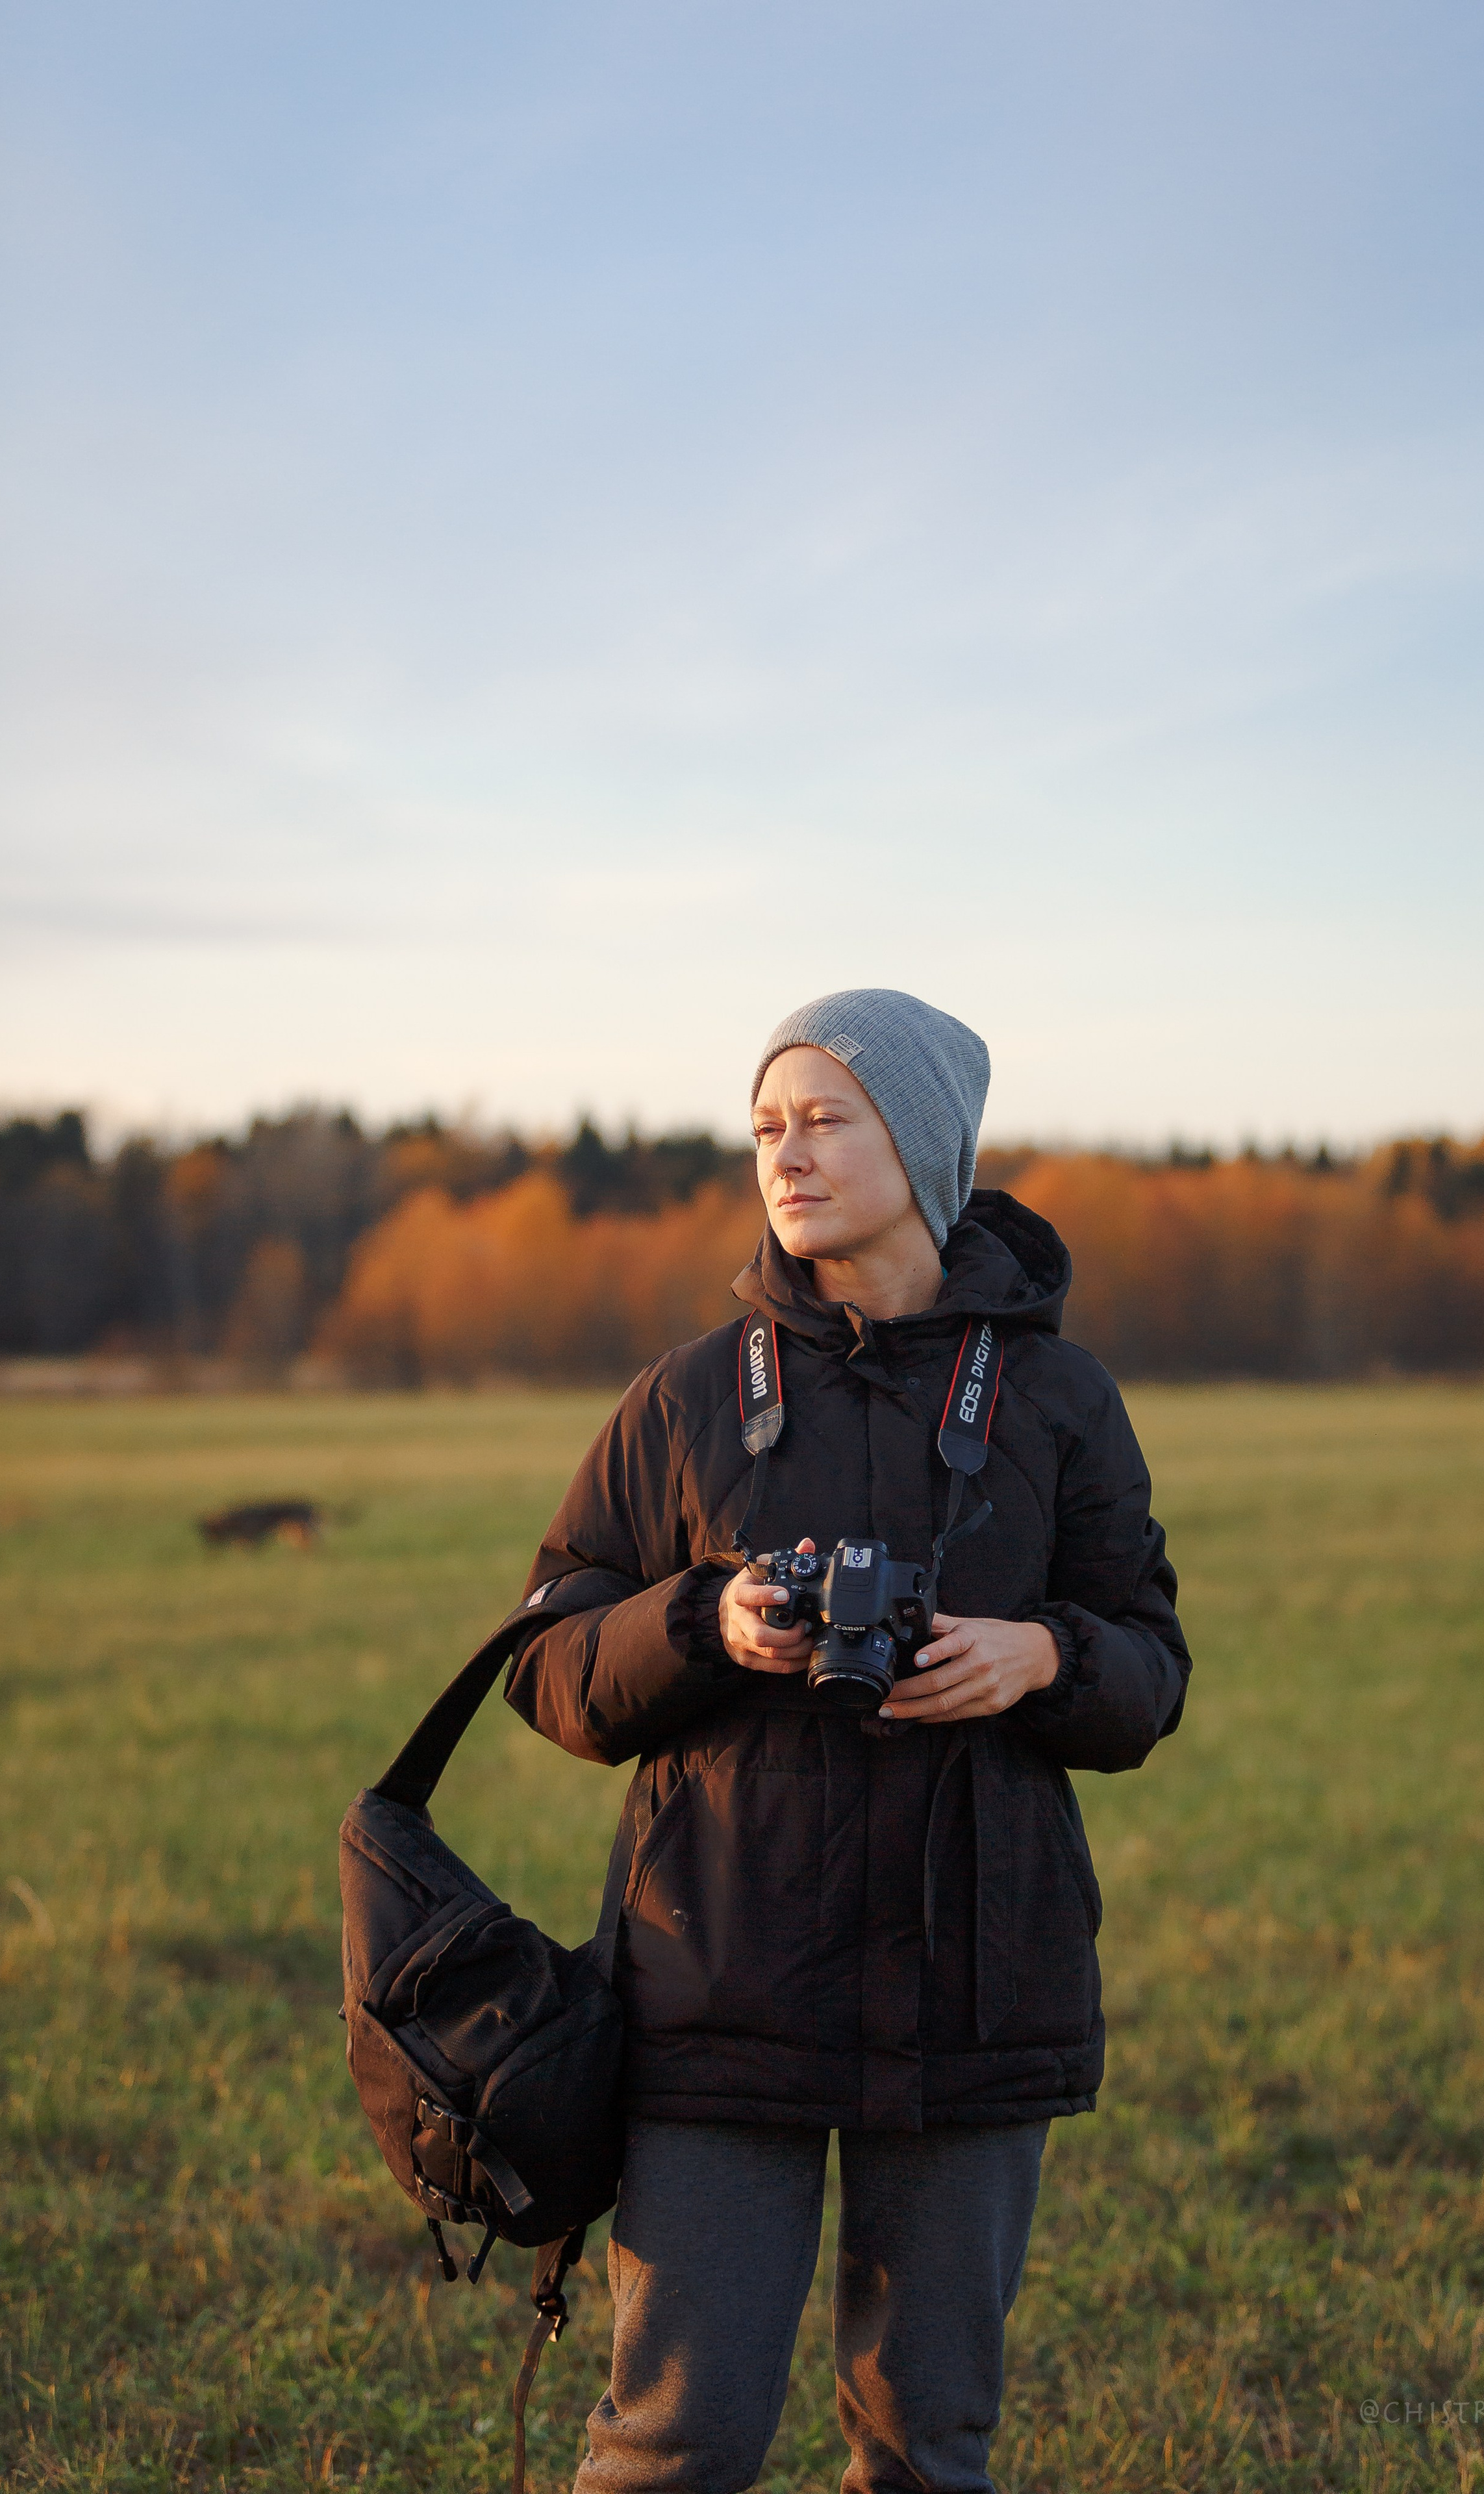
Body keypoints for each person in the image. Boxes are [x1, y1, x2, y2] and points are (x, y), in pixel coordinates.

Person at [503, 988, 1191, 2494]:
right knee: (674, 2444)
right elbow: (545, 1663)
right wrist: (701, 1623)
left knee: (926, 2446)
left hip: (972, 1991)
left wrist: (1039, 1656)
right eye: (765, 1126)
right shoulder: (688, 1396)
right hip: (717, 1992)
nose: (786, 1156)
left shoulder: (1054, 1398)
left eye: (824, 1119)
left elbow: (1149, 1669)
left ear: (926, 1144)